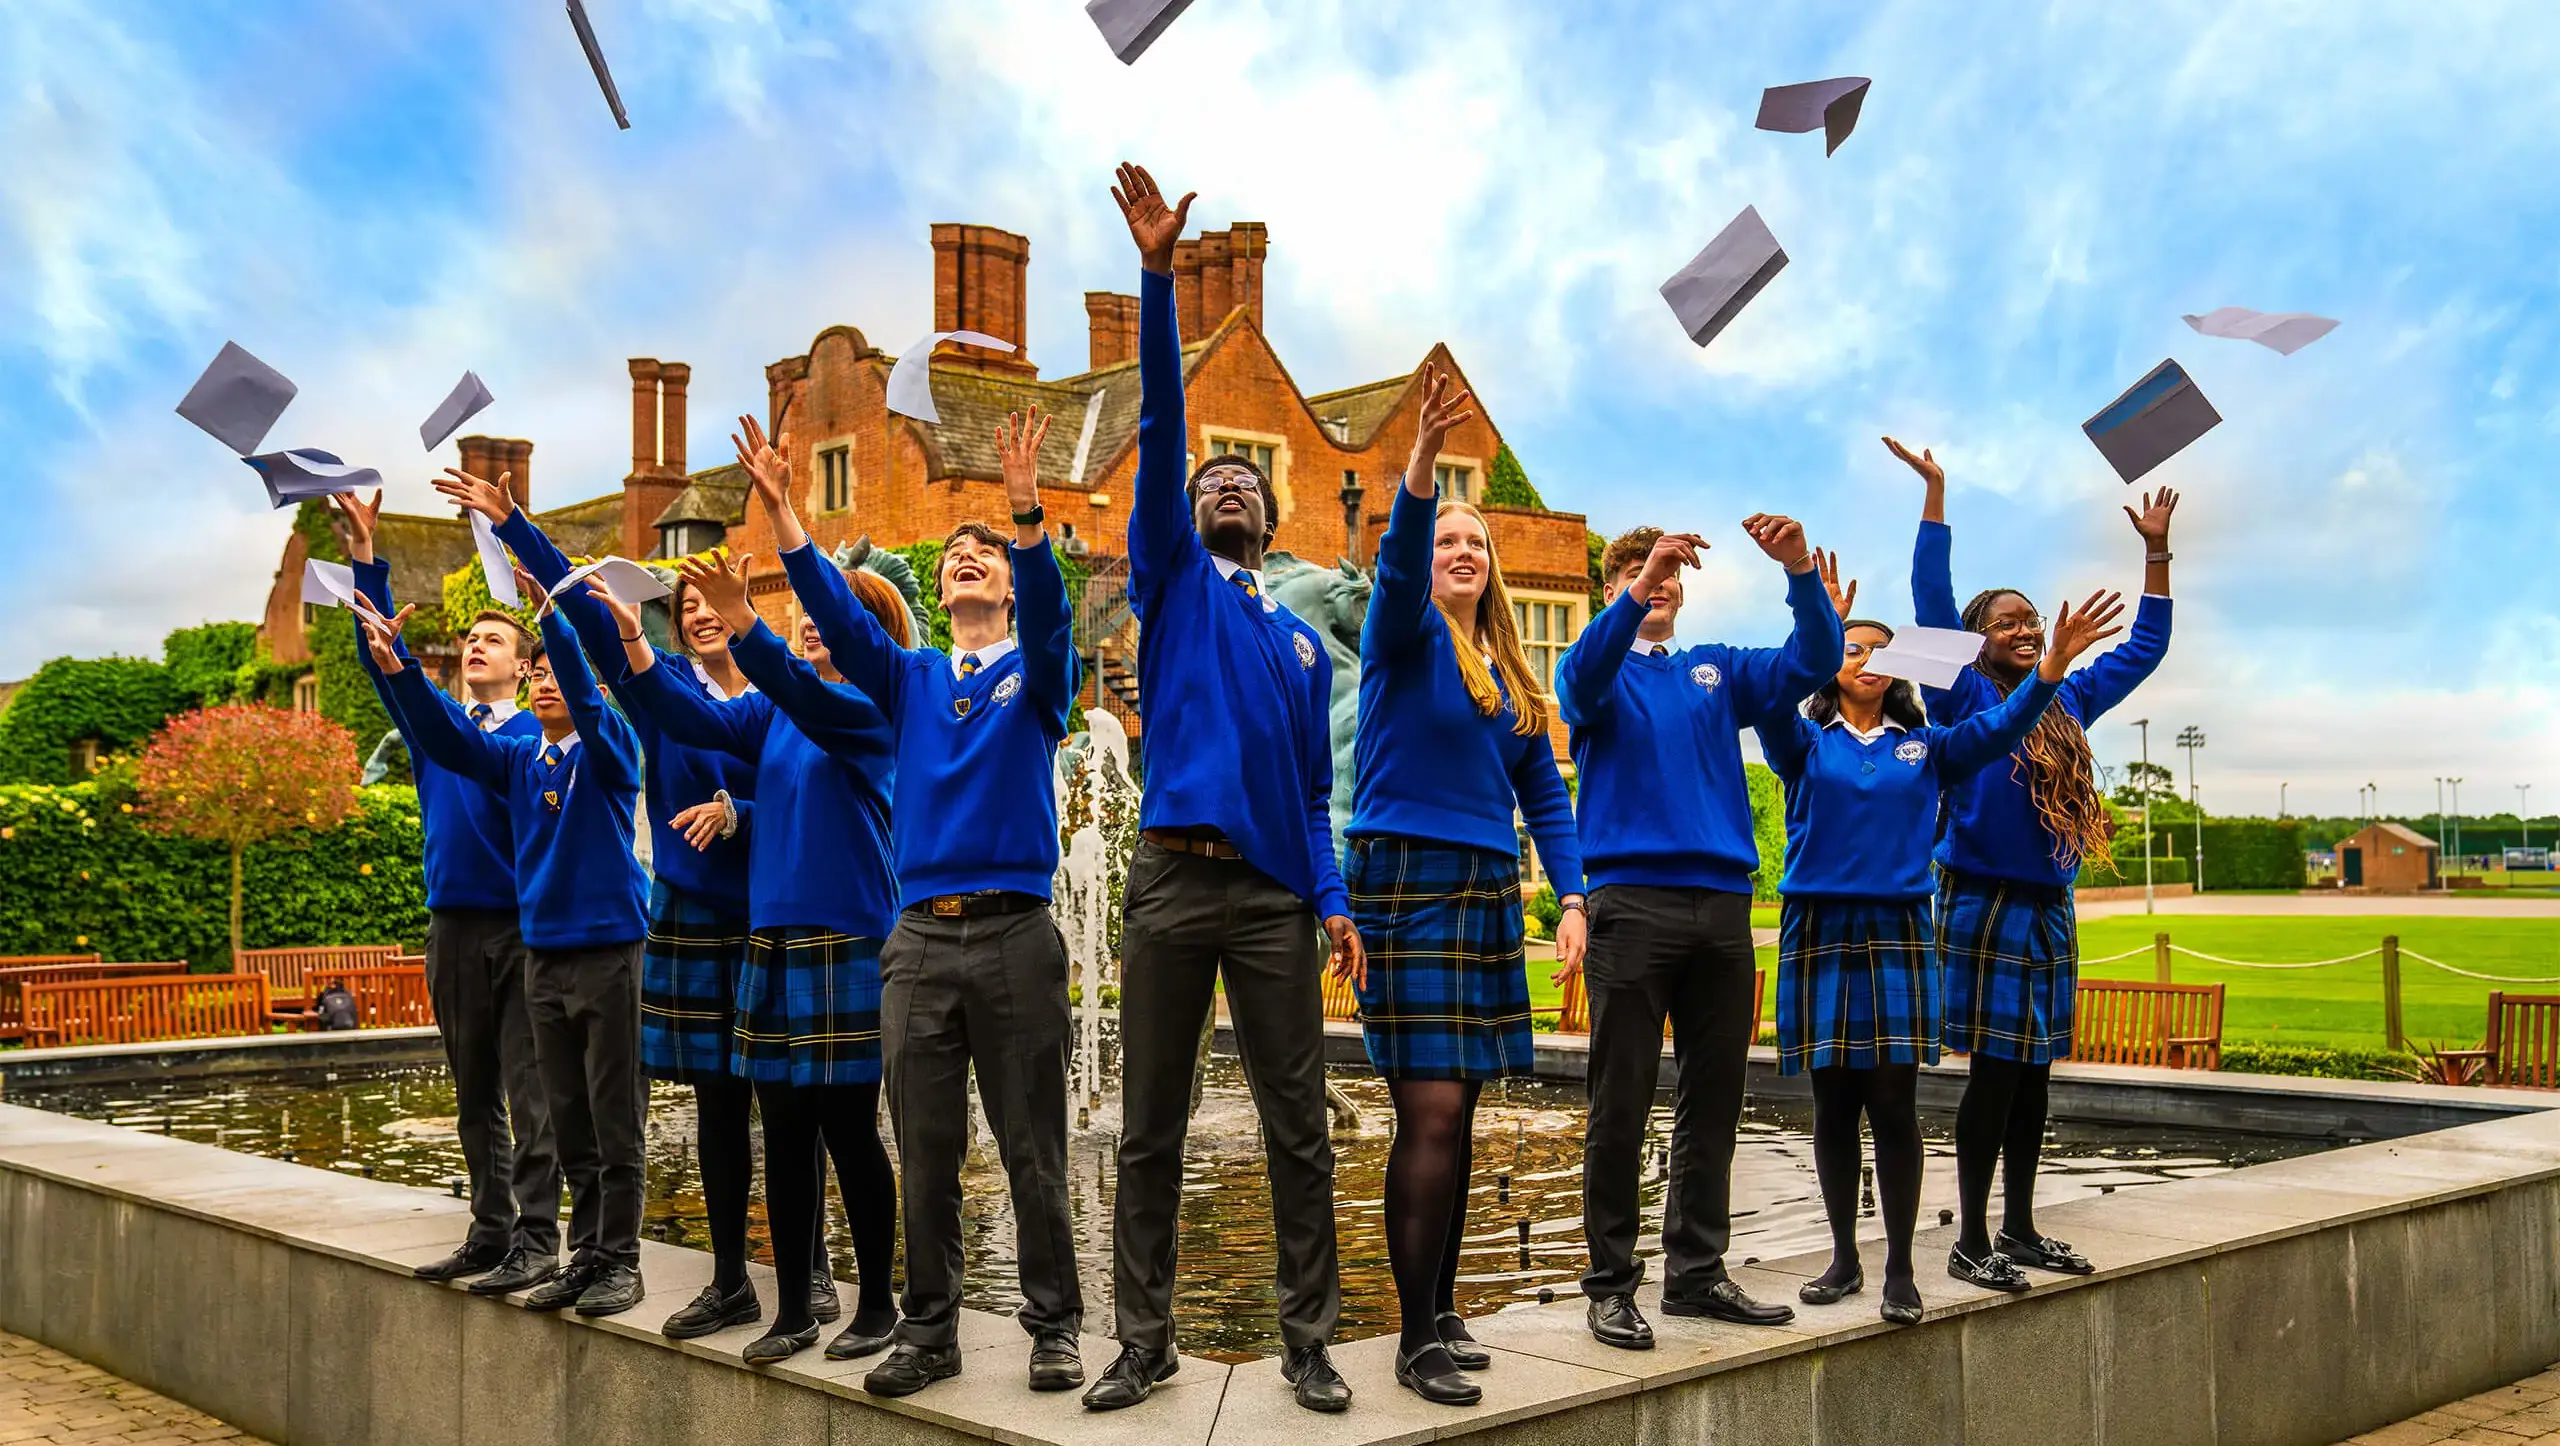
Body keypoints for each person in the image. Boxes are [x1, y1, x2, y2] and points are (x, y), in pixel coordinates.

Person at [724, 406, 1085, 1398]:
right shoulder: (911, 679)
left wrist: (1023, 516)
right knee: (922, 1152)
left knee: (1034, 1150)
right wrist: (784, 509)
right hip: (916, 939)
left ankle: (1053, 1325)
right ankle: (928, 1331)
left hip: (1016, 934)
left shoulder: (1039, 677)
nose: (967, 557)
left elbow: (1055, 623)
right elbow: (839, 619)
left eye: (984, 553)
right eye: (954, 552)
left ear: (1007, 583)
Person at [425, 467, 830, 1343]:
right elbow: (591, 637)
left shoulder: (783, 700)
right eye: (681, 606)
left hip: (774, 911)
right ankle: (727, 1278)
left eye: (710, 601)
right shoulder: (663, 698)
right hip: (689, 914)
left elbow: (824, 797)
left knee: (795, 1102)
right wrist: (517, 530)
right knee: (720, 1107)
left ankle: (815, 1270)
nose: (697, 613)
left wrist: (742, 812)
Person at [1085, 162, 1361, 1416]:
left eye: (1243, 482)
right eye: (1208, 484)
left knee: (1298, 1129)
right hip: (1167, 888)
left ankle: (1308, 1340)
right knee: (1149, 1128)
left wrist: (1335, 899)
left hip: (1270, 903)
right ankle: (1142, 1342)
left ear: (1272, 514)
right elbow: (1160, 424)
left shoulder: (1303, 643)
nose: (1225, 487)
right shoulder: (1176, 590)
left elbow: (1312, 796)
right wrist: (1155, 275)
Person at [1754, 549, 2120, 1325]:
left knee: (1893, 1105)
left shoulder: (1927, 748)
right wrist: (1812, 615)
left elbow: (2002, 723)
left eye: (1879, 650)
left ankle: (1898, 1272)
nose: (1865, 660)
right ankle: (1843, 1259)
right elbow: (1773, 693)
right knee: (1830, 1107)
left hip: (1898, 931)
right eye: (1849, 648)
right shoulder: (1802, 744)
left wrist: (2051, 667)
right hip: (1818, 927)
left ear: (1899, 670)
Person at [1343, 367, 1588, 1406]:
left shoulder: (1508, 677)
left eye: (1473, 544)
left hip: (1486, 885)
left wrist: (1571, 897)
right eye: (1449, 541)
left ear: (1489, 569)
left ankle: (1442, 1307)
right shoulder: (1399, 640)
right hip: (1405, 877)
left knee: (1468, 1106)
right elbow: (1395, 570)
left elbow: (1546, 795)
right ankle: (1412, 1339)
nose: (1460, 552)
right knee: (1431, 1111)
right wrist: (1413, 476)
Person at [1889, 436, 2178, 1291]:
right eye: (2005, 622)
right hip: (1980, 898)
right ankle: (1969, 1235)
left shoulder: (2071, 694)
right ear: (1975, 641)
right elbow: (1931, 601)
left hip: (2048, 903)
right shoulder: (1964, 692)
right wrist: (1937, 493)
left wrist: (2156, 552)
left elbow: (2146, 648)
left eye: (2030, 620)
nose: (2022, 629)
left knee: (2035, 1075)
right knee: (1992, 1074)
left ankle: (2017, 1228)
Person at [1555, 516, 1843, 1350]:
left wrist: (1797, 571)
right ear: (1613, 590)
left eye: (1672, 577)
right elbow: (1578, 685)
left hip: (1721, 907)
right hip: (1630, 904)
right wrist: (1644, 575)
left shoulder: (1716, 667)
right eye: (1643, 578)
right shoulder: (1595, 670)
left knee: (1713, 1099)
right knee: (1621, 1102)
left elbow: (1813, 662)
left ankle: (1696, 1275)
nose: (1662, 586)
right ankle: (1611, 1284)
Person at [614, 543, 905, 1368]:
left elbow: (788, 684)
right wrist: (636, 637)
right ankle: (790, 1311)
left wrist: (745, 618)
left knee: (849, 1130)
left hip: (848, 932)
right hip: (772, 937)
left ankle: (878, 1304)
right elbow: (684, 715)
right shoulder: (777, 712)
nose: (812, 622)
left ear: (867, 634)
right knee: (781, 1129)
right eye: (806, 614)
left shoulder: (875, 709)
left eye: (832, 615)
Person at [357, 574, 650, 1318]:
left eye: (552, 667)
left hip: (601, 948)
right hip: (541, 951)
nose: (549, 680)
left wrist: (554, 621)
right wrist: (395, 665)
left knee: (607, 1114)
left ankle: (612, 1257)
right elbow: (441, 732)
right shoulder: (521, 759)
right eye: (543, 668)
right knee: (564, 1113)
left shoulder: (609, 746)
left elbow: (587, 697)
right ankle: (572, 1254)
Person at [329, 490, 561, 1298]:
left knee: (531, 1092)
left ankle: (540, 1239)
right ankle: (489, 1230)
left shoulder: (540, 731)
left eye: (492, 636)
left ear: (526, 663)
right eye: (468, 637)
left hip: (524, 928)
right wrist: (368, 558)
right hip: (452, 927)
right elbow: (385, 667)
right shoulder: (434, 726)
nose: (474, 645)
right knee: (472, 1093)